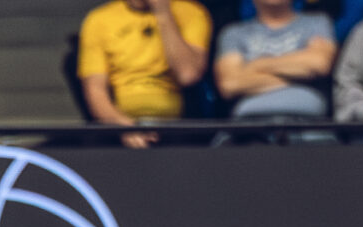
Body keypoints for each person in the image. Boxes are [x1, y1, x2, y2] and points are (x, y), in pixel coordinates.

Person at [77, 0, 210, 142]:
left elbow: (187, 74)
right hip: (119, 124)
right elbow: (95, 90)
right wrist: (126, 128)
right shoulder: (99, 19)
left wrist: (163, 13)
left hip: (177, 124)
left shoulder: (191, 12)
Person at [214, 0, 335, 122]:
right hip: (248, 126)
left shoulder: (317, 22)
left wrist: (257, 65)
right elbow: (230, 84)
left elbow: (320, 64)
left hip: (309, 124)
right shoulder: (233, 33)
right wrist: (301, 77)